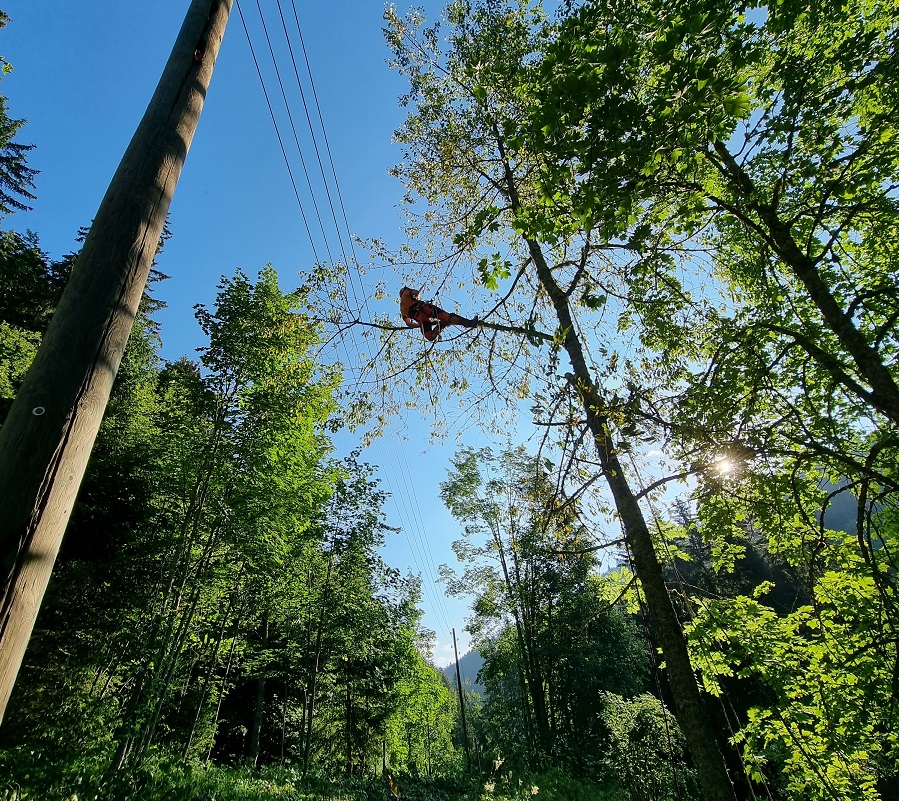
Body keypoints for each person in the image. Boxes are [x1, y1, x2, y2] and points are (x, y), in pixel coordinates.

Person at [399, 286, 478, 341]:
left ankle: (441, 325)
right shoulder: (406, 292)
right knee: (449, 318)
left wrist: (419, 325)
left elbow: (409, 323)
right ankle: (469, 323)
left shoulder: (402, 310)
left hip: (421, 319)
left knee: (430, 337)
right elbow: (416, 292)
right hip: (427, 309)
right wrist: (417, 297)